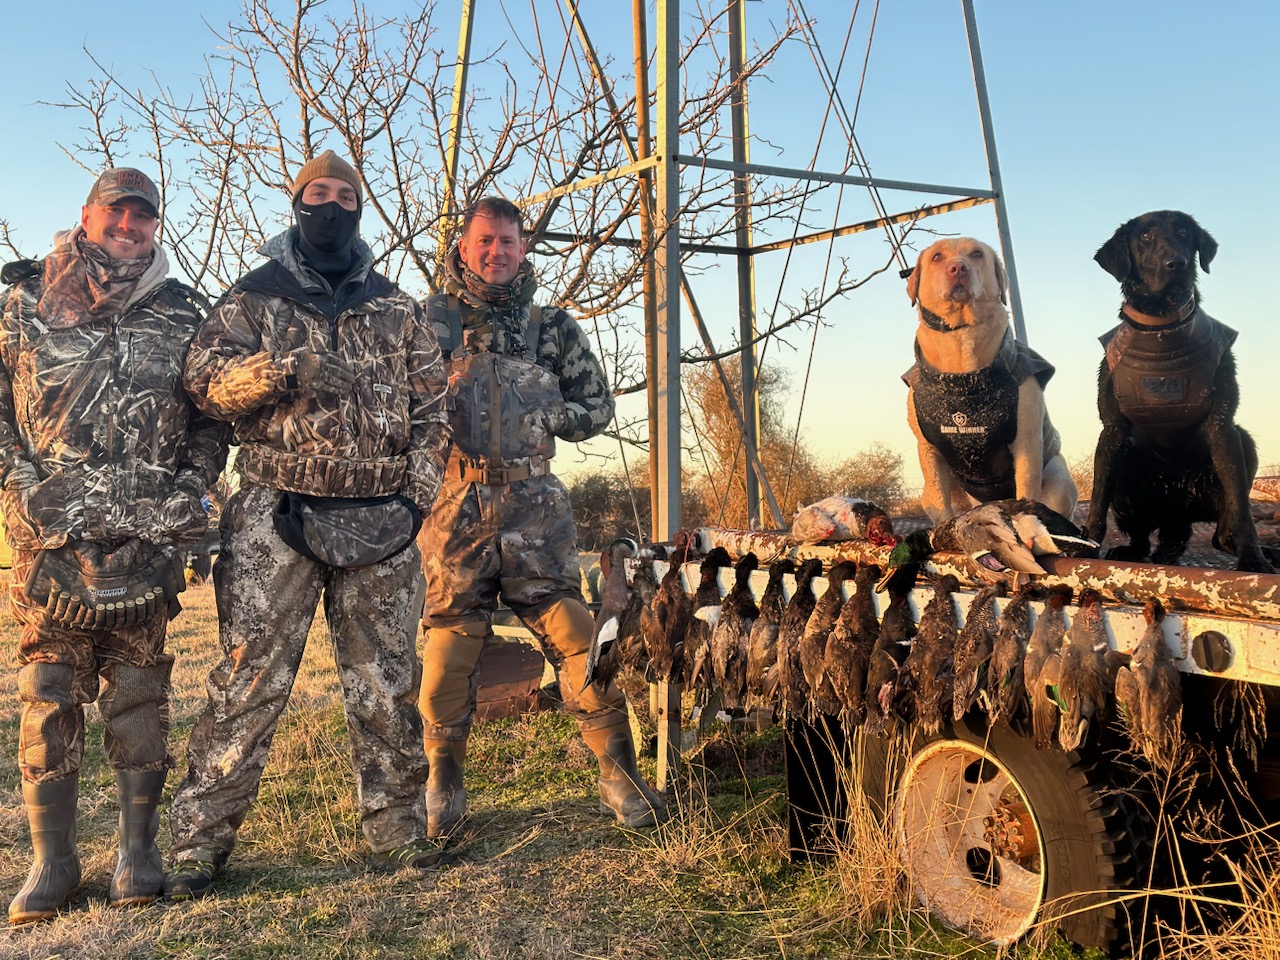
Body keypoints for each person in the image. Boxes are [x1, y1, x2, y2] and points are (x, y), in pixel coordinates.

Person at [164, 151, 452, 899]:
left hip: (382, 515)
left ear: (361, 208)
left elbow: (432, 413)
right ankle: (199, 844)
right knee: (247, 680)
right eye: (316, 195)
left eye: (345, 196)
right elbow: (202, 386)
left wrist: (416, 499)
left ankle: (395, 831)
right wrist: (280, 369)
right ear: (296, 205)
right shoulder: (252, 297)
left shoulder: (397, 307)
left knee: (388, 680)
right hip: (274, 507)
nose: (330, 207)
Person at [0, 168, 227, 923]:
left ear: (155, 224)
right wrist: (19, 492)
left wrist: (188, 495)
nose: (130, 225)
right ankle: (53, 864)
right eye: (116, 212)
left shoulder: (183, 312)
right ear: (88, 215)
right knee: (48, 697)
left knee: (139, 698)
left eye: (143, 215)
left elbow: (209, 420)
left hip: (145, 543)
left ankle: (138, 851)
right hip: (51, 545)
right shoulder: (26, 301)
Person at [417, 196, 664, 839]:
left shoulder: (552, 327)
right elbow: (392, 408)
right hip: (453, 506)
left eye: (507, 241)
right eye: (484, 241)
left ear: (523, 248)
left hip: (536, 506)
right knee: (449, 640)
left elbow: (598, 408)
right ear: (463, 247)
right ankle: (441, 783)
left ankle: (619, 772)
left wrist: (550, 415)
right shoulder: (426, 322)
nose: (496, 251)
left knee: (576, 631)